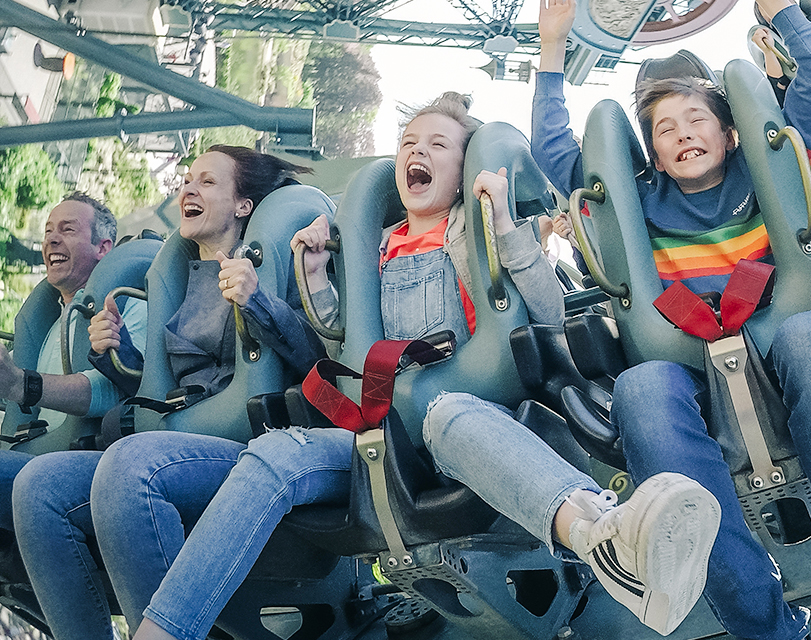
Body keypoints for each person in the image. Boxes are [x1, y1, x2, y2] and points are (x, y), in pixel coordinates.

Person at [99, 96, 718, 640]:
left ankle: (601, 537)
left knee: (448, 412)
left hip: (458, 419)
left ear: (463, 165)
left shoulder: (470, 232)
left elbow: (549, 311)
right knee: (274, 456)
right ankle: (160, 632)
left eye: (437, 144)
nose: (417, 152)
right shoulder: (372, 244)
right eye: (408, 144)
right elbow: (334, 347)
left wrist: (505, 227)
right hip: (371, 431)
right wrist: (314, 276)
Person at [532, 0, 811, 640]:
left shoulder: (765, 165)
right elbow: (555, 149)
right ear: (651, 152)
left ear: (730, 129)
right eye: (664, 128)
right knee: (640, 389)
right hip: (684, 364)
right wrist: (553, 50)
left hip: (785, 335)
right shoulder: (637, 201)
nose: (682, 134)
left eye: (696, 117)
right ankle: (762, 626)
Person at [12, 148, 321, 640]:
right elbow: (159, 389)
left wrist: (259, 301)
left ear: (243, 205)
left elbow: (318, 359)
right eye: (187, 180)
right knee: (39, 485)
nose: (189, 190)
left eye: (208, 182)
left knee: (130, 464)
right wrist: (116, 352)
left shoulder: (267, 260)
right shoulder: (178, 274)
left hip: (249, 442)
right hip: (178, 436)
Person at [0, 194, 140, 527]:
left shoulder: (127, 306)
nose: (51, 239)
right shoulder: (50, 320)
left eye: (67, 229)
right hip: (28, 452)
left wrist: (20, 383)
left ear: (103, 248)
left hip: (76, 462)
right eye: (49, 230)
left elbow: (112, 392)